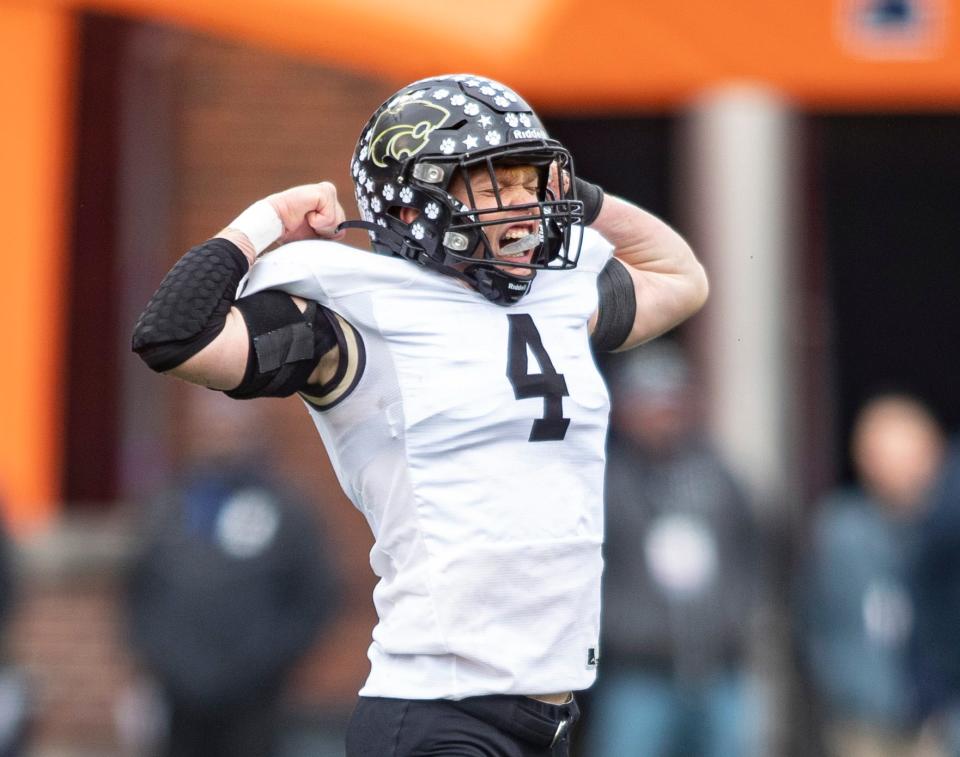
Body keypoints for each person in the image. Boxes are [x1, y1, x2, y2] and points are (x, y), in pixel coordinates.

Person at [131, 73, 708, 757]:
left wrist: (581, 201)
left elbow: (682, 278)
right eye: (498, 181)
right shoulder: (356, 316)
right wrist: (267, 222)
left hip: (546, 718)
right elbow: (175, 334)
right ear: (415, 203)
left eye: (532, 180)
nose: (524, 204)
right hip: (439, 712)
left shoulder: (558, 294)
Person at [123, 394, 339, 757]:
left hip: (255, 701)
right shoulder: (170, 504)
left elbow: (315, 595)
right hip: (179, 698)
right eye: (212, 426)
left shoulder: (285, 509)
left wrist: (265, 661)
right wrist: (161, 660)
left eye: (231, 425)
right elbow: (137, 588)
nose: (220, 435)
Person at [584, 342, 760, 757]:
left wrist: (736, 619)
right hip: (636, 673)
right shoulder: (604, 482)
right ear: (624, 410)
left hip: (719, 669)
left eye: (669, 401)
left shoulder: (719, 475)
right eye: (648, 403)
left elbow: (754, 551)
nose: (660, 415)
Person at [797, 394, 946, 757]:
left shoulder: (945, 530)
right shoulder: (839, 530)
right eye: (888, 456)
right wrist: (840, 686)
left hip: (936, 717)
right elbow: (814, 618)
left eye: (911, 455)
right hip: (860, 714)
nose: (902, 469)